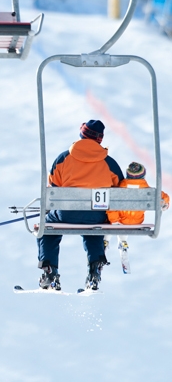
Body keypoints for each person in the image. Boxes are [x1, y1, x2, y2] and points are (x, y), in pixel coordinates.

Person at [37, 120, 124, 291]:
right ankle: (94, 271)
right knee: (94, 229)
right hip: (97, 214)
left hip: (65, 214)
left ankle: (50, 271)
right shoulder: (109, 163)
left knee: (46, 227)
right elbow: (121, 189)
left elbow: (53, 187)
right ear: (100, 139)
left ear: (82, 134)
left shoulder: (63, 159)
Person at [106, 162, 170, 265]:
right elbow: (164, 198)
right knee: (124, 223)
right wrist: (165, 204)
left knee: (113, 220)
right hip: (137, 221)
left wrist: (114, 219)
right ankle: (123, 242)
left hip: (119, 220)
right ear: (143, 176)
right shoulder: (149, 191)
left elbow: (110, 203)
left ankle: (106, 241)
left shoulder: (120, 187)